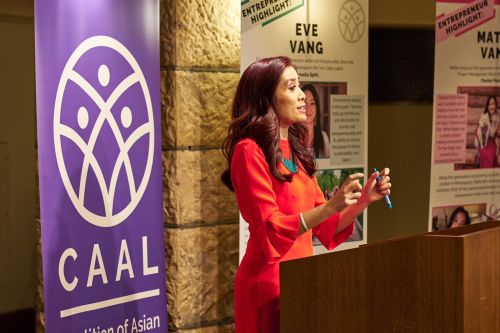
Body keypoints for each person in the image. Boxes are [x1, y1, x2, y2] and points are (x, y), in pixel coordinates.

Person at [221, 56, 391, 333]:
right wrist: (329, 207)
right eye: (291, 88)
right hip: (267, 284)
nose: (302, 96)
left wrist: (363, 201)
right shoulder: (248, 150)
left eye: (299, 86)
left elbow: (326, 226)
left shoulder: (297, 153)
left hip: (301, 283)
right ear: (267, 98)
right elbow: (270, 226)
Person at [302, 84, 330, 158]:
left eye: (312, 103)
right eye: (305, 103)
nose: (308, 108)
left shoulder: (324, 137)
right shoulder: (291, 138)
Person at [475, 96, 499, 168]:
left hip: (492, 141)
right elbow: (479, 130)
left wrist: (498, 148)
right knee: (483, 152)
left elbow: (497, 135)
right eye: (489, 104)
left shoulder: (498, 117)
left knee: (491, 154)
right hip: (482, 140)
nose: (491, 106)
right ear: (487, 106)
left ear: (495, 105)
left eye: (493, 104)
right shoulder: (484, 116)